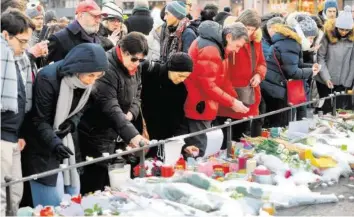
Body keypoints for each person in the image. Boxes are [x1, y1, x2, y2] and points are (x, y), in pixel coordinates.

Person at [21, 43, 107, 207]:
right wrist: (55, 143)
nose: (93, 80)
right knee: (52, 204)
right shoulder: (48, 79)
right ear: (77, 69)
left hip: (66, 143)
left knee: (72, 199)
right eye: (91, 75)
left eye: (98, 76)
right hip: (41, 147)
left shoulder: (85, 83)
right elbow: (39, 120)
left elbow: (81, 109)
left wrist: (72, 123)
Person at [78, 32, 149, 194]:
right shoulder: (107, 67)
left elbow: (138, 92)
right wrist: (133, 135)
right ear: (123, 51)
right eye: (134, 59)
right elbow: (109, 105)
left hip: (119, 129)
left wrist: (131, 113)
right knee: (96, 183)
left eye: (141, 60)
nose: (137, 64)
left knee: (115, 183)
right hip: (97, 131)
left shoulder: (134, 66)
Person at [183, 21, 250, 157]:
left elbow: (222, 79)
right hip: (199, 104)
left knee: (203, 146)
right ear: (229, 37)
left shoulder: (217, 46)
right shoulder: (211, 49)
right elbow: (208, 85)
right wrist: (232, 102)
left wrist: (236, 101)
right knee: (200, 149)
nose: (237, 50)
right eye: (237, 46)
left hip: (203, 103)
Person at [1, 9, 35, 216]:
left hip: (13, 135)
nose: (25, 47)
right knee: (2, 197)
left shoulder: (19, 59)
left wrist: (20, 133)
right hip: (1, 135)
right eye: (22, 41)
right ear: (6, 35)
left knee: (15, 193)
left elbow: (22, 99)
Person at [218, 9, 266, 145]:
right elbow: (222, 73)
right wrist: (231, 97)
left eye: (252, 29)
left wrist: (258, 74)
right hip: (229, 94)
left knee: (242, 137)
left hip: (249, 93)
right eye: (246, 28)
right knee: (227, 139)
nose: (249, 32)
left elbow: (262, 63)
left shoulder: (256, 42)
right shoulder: (229, 39)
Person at [261, 20, 320, 127]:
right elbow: (292, 72)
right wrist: (311, 72)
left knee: (278, 122)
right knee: (279, 124)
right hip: (275, 87)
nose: (311, 42)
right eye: (310, 38)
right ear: (302, 34)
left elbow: (295, 64)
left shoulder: (290, 41)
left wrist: (311, 67)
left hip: (275, 85)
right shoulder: (290, 44)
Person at [141, 52, 194, 159]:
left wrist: (184, 144)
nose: (182, 79)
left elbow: (178, 119)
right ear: (170, 68)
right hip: (140, 133)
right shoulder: (149, 74)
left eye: (186, 77)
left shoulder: (181, 90)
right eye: (180, 75)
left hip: (162, 140)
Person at [316, 6, 354, 114]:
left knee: (341, 111)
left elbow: (352, 61)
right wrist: (326, 78)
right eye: (341, 29)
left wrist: (348, 82)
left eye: (347, 30)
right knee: (325, 110)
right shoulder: (327, 35)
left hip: (344, 81)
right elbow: (320, 57)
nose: (344, 32)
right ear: (336, 26)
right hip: (325, 80)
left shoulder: (352, 39)